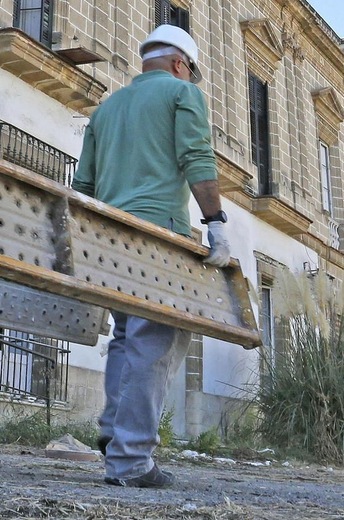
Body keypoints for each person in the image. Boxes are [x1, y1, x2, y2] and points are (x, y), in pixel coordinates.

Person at [72, 24, 230, 490]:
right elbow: (196, 159)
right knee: (156, 344)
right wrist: (216, 221)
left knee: (125, 336)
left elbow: (82, 187)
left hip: (108, 236)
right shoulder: (183, 95)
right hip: (158, 232)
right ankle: (131, 460)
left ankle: (113, 431)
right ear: (181, 64)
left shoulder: (106, 109)